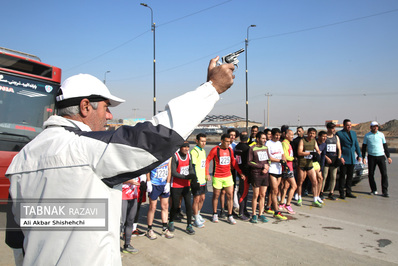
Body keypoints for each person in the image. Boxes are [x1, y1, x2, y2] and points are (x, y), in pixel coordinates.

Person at [5, 56, 235, 265]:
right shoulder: (85, 149)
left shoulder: (22, 158)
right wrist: (212, 88)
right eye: (106, 107)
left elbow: (17, 241)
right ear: (86, 106)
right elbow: (159, 136)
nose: (109, 116)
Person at [206, 134, 246, 224]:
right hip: (217, 176)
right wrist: (207, 173)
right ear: (222, 141)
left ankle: (230, 215)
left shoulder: (230, 150)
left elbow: (234, 163)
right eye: (227, 142)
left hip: (228, 176)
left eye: (229, 142)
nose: (228, 143)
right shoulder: (215, 150)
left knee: (230, 196)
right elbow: (207, 160)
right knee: (216, 195)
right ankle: (215, 214)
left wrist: (240, 173)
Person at [168, 141, 195, 235]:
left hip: (186, 185)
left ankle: (189, 225)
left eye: (188, 147)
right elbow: (173, 172)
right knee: (175, 206)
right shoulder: (175, 156)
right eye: (184, 147)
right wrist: (184, 177)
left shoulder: (189, 156)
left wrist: (192, 176)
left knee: (188, 205)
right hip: (176, 185)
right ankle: (171, 221)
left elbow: (190, 168)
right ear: (180, 148)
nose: (186, 149)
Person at [362, 121, 392, 197]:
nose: (375, 128)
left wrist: (388, 156)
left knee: (384, 174)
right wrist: (363, 157)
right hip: (371, 156)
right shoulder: (367, 136)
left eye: (377, 126)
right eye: (374, 126)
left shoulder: (381, 135)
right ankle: (373, 189)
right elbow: (364, 147)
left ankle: (385, 191)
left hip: (381, 156)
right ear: (370, 127)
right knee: (371, 174)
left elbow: (385, 146)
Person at [146, 159, 174, 240]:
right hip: (154, 184)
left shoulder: (169, 155)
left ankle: (165, 229)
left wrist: (168, 183)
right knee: (153, 207)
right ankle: (149, 229)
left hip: (164, 184)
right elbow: (148, 168)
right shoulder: (155, 151)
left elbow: (169, 169)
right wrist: (148, 181)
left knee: (165, 206)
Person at [336, 119, 362, 199]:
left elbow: (356, 145)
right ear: (344, 125)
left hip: (352, 158)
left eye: (350, 125)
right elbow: (338, 147)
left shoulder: (353, 133)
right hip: (344, 158)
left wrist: (359, 155)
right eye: (347, 125)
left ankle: (348, 191)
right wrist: (341, 157)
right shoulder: (339, 134)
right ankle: (341, 193)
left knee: (350, 176)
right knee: (342, 176)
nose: (349, 126)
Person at [297, 128, 323, 207]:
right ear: (307, 133)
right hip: (302, 164)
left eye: (313, 133)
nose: (312, 135)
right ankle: (299, 198)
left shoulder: (314, 141)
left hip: (310, 164)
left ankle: (315, 199)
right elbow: (299, 152)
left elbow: (318, 150)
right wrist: (309, 153)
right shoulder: (302, 141)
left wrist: (317, 154)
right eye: (310, 133)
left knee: (314, 182)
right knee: (300, 181)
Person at [248, 132, 270, 223]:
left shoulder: (265, 148)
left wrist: (267, 167)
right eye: (263, 138)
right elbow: (249, 162)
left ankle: (261, 213)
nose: (265, 140)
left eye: (265, 138)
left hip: (265, 174)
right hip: (256, 174)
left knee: (263, 194)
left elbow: (268, 160)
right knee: (256, 195)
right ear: (258, 139)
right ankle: (254, 214)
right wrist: (261, 167)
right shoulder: (252, 148)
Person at [266, 128, 288, 220]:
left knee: (274, 190)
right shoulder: (268, 143)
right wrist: (279, 160)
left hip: (279, 170)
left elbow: (282, 154)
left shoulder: (279, 143)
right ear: (272, 135)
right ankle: (276, 211)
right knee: (275, 191)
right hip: (272, 170)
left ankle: (268, 206)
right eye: (276, 135)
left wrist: (284, 163)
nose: (278, 137)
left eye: (279, 135)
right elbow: (269, 157)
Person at [321, 122, 342, 201]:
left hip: (334, 159)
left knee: (334, 177)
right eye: (332, 128)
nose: (334, 130)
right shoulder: (325, 137)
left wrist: (339, 158)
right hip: (326, 159)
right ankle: (321, 192)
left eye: (334, 128)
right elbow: (321, 149)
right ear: (328, 129)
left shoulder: (336, 137)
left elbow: (339, 149)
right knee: (324, 176)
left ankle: (331, 193)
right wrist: (326, 157)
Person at [190, 133, 207, 228]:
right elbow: (192, 166)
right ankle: (195, 218)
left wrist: (206, 175)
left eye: (205, 141)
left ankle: (198, 213)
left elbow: (203, 165)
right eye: (202, 141)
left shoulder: (203, 151)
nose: (203, 143)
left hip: (203, 179)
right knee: (196, 199)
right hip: (197, 180)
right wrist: (195, 179)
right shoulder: (194, 151)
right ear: (197, 141)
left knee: (202, 198)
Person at [120, 177, 141, 254]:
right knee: (121, 222)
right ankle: (114, 248)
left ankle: (127, 245)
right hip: (122, 195)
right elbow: (117, 178)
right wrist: (129, 181)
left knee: (130, 221)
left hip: (133, 195)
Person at [280, 129, 297, 214]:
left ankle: (282, 203)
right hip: (287, 168)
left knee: (286, 186)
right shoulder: (284, 143)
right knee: (294, 186)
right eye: (291, 135)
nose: (292, 136)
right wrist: (293, 158)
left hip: (289, 167)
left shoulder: (288, 144)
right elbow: (285, 157)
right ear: (286, 135)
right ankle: (288, 204)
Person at [234, 131, 251, 220]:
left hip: (239, 172)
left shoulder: (237, 147)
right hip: (244, 173)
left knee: (242, 192)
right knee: (243, 193)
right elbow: (247, 162)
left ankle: (244, 210)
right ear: (247, 138)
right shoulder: (247, 148)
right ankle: (241, 213)